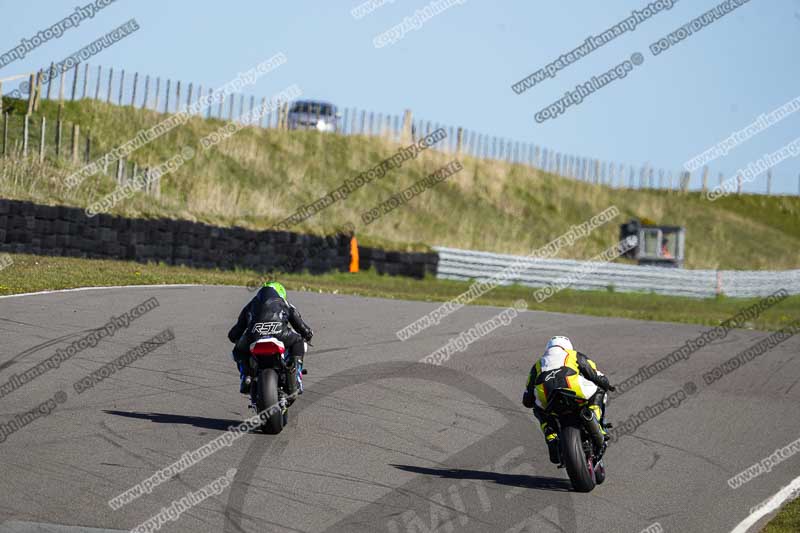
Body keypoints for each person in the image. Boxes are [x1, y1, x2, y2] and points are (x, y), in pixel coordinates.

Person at [522, 336, 616, 464]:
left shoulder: (537, 364)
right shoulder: (573, 354)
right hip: (572, 385)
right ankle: (593, 418)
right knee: (598, 390)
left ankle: (550, 435)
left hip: (545, 393)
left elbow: (527, 399)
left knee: (538, 408)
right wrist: (606, 384)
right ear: (567, 346)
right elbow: (593, 374)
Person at [227, 281, 313, 397]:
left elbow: (235, 332)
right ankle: (296, 375)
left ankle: (246, 376)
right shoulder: (285, 303)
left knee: (238, 351)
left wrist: (235, 338)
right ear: (281, 293)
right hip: (280, 334)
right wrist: (307, 334)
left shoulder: (251, 304)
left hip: (254, 336)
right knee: (298, 341)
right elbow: (300, 325)